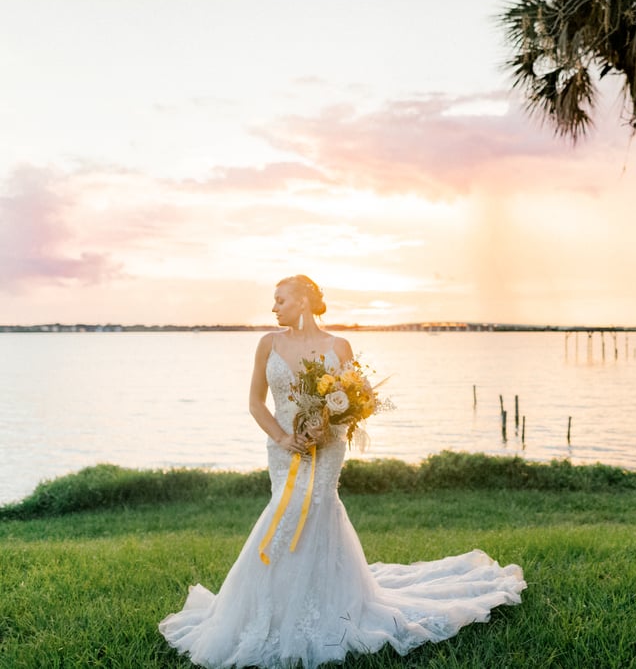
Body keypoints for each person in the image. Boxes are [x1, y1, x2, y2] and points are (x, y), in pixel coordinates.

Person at [159, 275, 526, 668]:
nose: (274, 308)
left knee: (318, 506)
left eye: (280, 300)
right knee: (286, 510)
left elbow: (357, 404)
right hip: (285, 450)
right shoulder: (268, 344)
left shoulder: (339, 346)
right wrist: (284, 438)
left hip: (327, 448)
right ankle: (270, 607)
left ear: (302, 301)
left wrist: (328, 426)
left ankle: (326, 601)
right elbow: (255, 403)